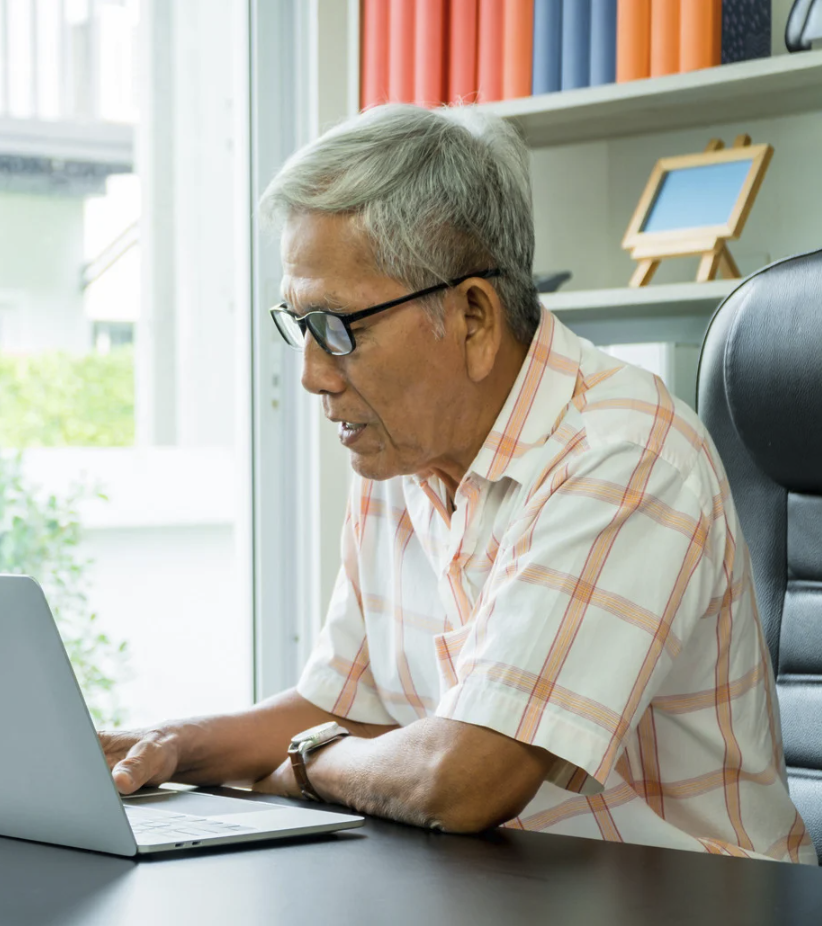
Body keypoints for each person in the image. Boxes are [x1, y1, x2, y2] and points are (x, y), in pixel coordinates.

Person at [100, 104, 816, 863]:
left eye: (338, 330)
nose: (311, 375)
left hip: (692, 903)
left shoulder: (624, 452)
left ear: (472, 315)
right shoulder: (396, 448)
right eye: (299, 326)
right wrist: (164, 746)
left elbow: (466, 778)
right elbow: (340, 708)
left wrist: (307, 768)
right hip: (503, 890)